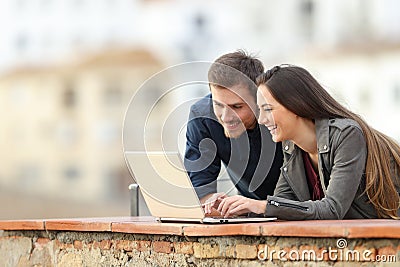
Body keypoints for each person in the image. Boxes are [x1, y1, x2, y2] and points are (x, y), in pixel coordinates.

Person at [215, 65, 400, 220]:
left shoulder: (346, 135)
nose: (262, 120)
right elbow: (280, 208)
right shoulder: (291, 149)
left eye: (268, 109)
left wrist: (263, 206)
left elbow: (332, 209)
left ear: (295, 105)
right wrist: (234, 209)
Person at [184, 51, 283, 213]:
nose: (226, 117)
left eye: (237, 107)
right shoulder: (202, 117)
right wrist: (214, 202)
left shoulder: (278, 111)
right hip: (246, 213)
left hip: (298, 209)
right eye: (218, 105)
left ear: (258, 99)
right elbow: (200, 188)